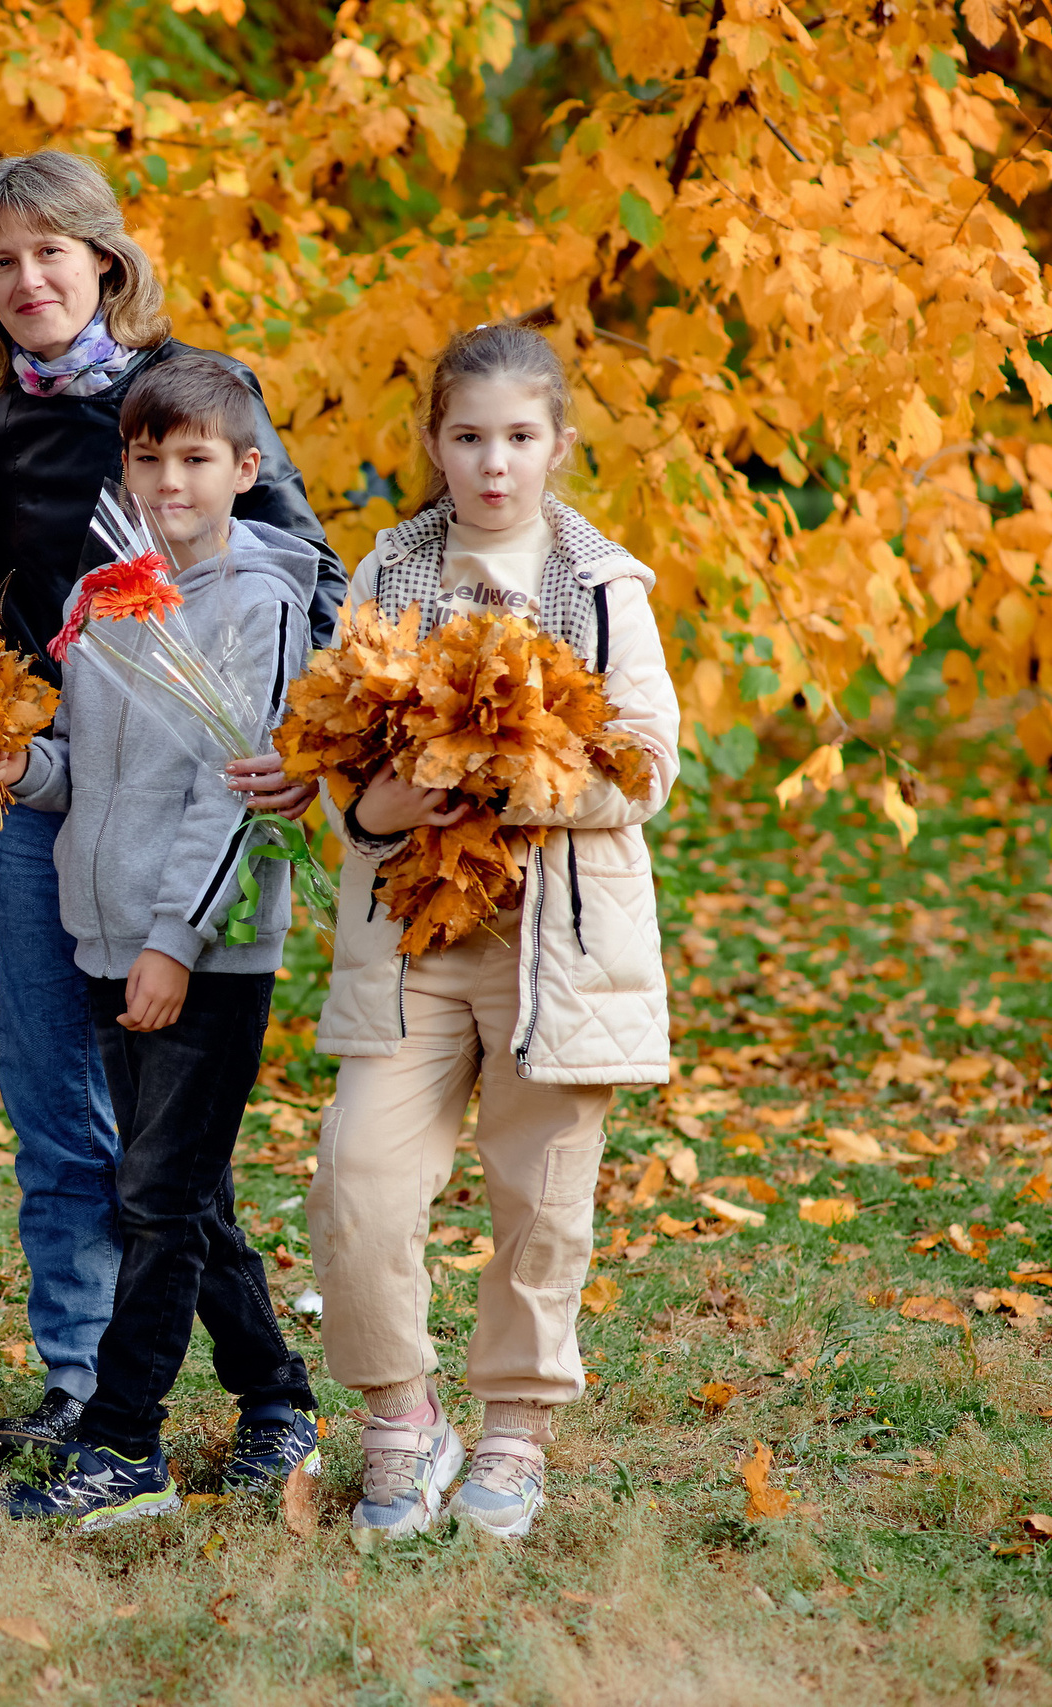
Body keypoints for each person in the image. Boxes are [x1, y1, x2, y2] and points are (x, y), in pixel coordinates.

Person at [0, 151, 347, 1461]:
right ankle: (81, 1374)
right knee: (64, 1109)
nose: (28, 279)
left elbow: (307, 572)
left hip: (192, 786)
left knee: (165, 1149)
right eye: (3, 261)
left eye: (51, 251)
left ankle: (189, 1402)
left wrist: (283, 727)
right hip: (57, 779)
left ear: (107, 261)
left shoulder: (186, 403)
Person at [307, 314, 680, 1546]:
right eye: (468, 437)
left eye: (519, 437)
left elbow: (647, 767)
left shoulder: (603, 588)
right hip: (412, 936)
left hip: (555, 949)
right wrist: (378, 805)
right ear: (433, 441)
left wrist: (525, 779)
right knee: (358, 1184)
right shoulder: (385, 573)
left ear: (558, 443)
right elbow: (336, 759)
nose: (493, 463)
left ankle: (514, 1432)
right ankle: (403, 1423)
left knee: (540, 1200)